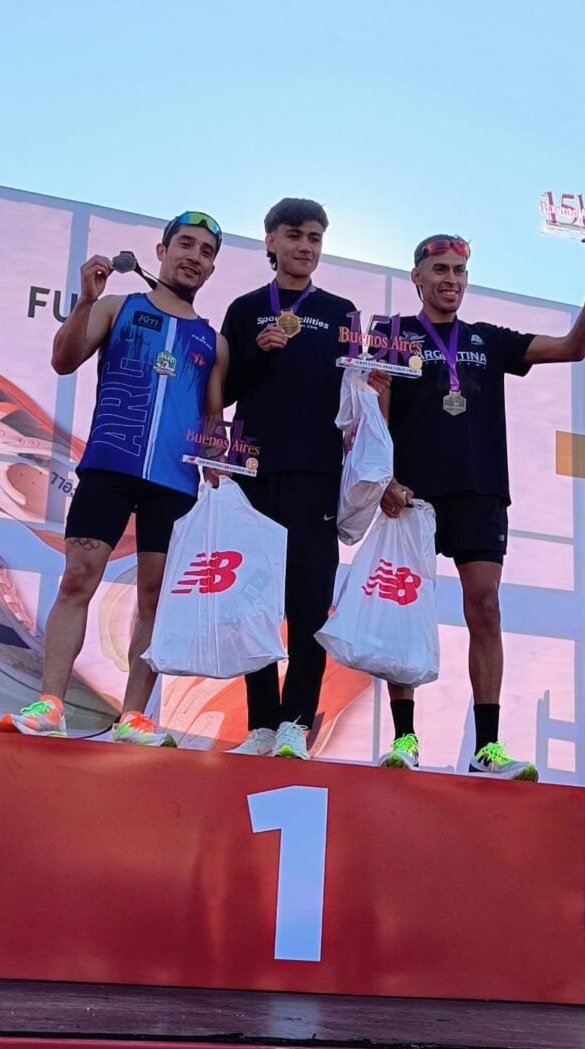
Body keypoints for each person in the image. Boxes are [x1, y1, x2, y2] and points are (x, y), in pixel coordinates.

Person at [372, 224, 585, 779]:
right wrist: (383, 477)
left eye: (460, 272)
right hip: (411, 493)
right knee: (405, 608)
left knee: (484, 607)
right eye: (440, 270)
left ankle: (487, 747)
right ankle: (405, 738)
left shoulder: (487, 339)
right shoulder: (392, 333)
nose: (451, 280)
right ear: (417, 278)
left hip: (479, 490)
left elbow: (573, 348)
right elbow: (374, 406)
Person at [0, 211, 228, 740]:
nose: (194, 257)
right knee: (78, 578)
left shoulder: (213, 342)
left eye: (206, 252)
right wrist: (84, 299)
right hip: (110, 466)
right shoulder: (117, 307)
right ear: (162, 251)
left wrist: (225, 460)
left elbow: (213, 422)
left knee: (154, 597)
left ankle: (133, 717)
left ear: (212, 269)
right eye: (185, 244)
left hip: (175, 482)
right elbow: (63, 360)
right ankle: (50, 705)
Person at [218, 198, 357, 760]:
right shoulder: (245, 308)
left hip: (316, 474)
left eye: (315, 237)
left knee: (308, 604)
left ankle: (296, 723)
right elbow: (224, 390)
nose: (305, 246)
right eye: (295, 235)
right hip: (251, 471)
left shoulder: (342, 312)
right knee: (252, 602)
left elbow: (357, 394)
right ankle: (260, 724)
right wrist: (256, 352)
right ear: (270, 241)